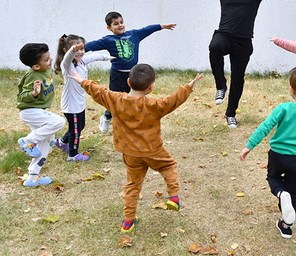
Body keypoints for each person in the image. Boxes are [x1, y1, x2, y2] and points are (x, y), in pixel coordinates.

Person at [160, 0, 296, 129]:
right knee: (214, 46)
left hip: (243, 41)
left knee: (238, 79)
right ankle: (221, 86)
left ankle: (230, 114)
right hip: (224, 35)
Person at [68, 63, 203, 233]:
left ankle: (128, 222)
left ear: (128, 82)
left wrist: (82, 80)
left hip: (130, 153)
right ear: (151, 87)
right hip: (153, 151)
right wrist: (188, 87)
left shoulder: (115, 100)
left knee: (133, 185)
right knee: (168, 166)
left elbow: (98, 91)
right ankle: (174, 197)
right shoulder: (154, 104)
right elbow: (173, 101)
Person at [239, 65, 296, 239]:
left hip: (278, 155)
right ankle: (287, 227)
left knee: (273, 179)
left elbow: (265, 127)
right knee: (294, 192)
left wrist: (249, 146)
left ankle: (281, 194)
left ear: (291, 89)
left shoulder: (283, 108)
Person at [84, 12, 176, 133]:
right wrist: (75, 49)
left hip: (133, 74)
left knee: (133, 99)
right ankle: (107, 117)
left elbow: (147, 29)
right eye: (116, 24)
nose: (120, 25)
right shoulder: (108, 40)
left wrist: (162, 26)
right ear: (109, 28)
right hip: (117, 75)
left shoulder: (134, 34)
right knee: (115, 101)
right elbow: (90, 46)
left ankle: (132, 124)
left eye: (121, 22)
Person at [53, 34, 112, 162]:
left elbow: (95, 56)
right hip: (70, 105)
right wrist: (72, 50)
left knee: (80, 126)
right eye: (76, 49)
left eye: (81, 49)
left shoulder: (82, 61)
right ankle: (73, 155)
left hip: (79, 103)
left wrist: (108, 57)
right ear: (66, 50)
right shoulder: (67, 66)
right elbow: (68, 58)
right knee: (75, 131)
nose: (80, 52)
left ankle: (62, 141)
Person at [16, 43, 66, 187]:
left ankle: (32, 177)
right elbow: (22, 96)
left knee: (47, 143)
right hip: (30, 111)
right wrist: (34, 93)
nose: (51, 60)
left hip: (38, 110)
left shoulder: (46, 68)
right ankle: (27, 141)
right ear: (36, 66)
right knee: (59, 122)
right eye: (46, 60)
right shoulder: (33, 76)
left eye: (50, 57)